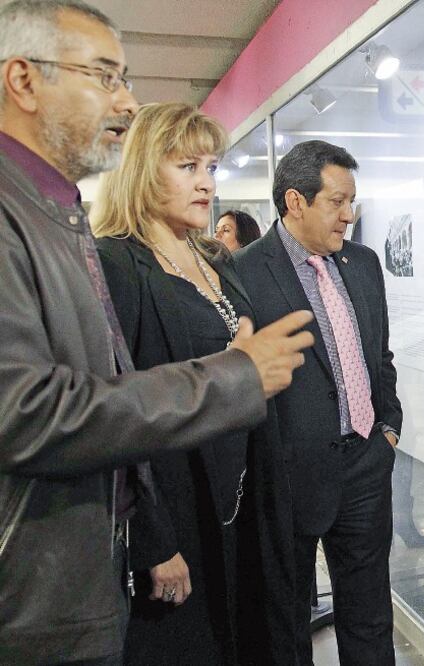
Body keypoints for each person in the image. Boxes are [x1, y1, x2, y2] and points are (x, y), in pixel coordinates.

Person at [0, 3, 313, 664]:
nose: (126, 98)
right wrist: (235, 375)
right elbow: (38, 410)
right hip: (71, 580)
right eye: (105, 76)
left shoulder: (71, 222)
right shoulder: (94, 250)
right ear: (23, 81)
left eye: (211, 168)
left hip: (203, 524)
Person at [92, 102, 293, 664]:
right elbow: (115, 413)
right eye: (188, 168)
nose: (207, 184)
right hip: (180, 511)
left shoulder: (216, 261)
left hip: (246, 499)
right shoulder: (117, 265)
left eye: (211, 168)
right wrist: (153, 543)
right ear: (141, 172)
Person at [234, 140, 403, 666]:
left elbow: (380, 355)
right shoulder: (244, 273)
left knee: (370, 618)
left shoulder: (364, 263)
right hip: (288, 480)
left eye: (352, 202)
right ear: (295, 202)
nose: (349, 216)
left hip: (365, 467)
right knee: (285, 627)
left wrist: (388, 429)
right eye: (337, 202)